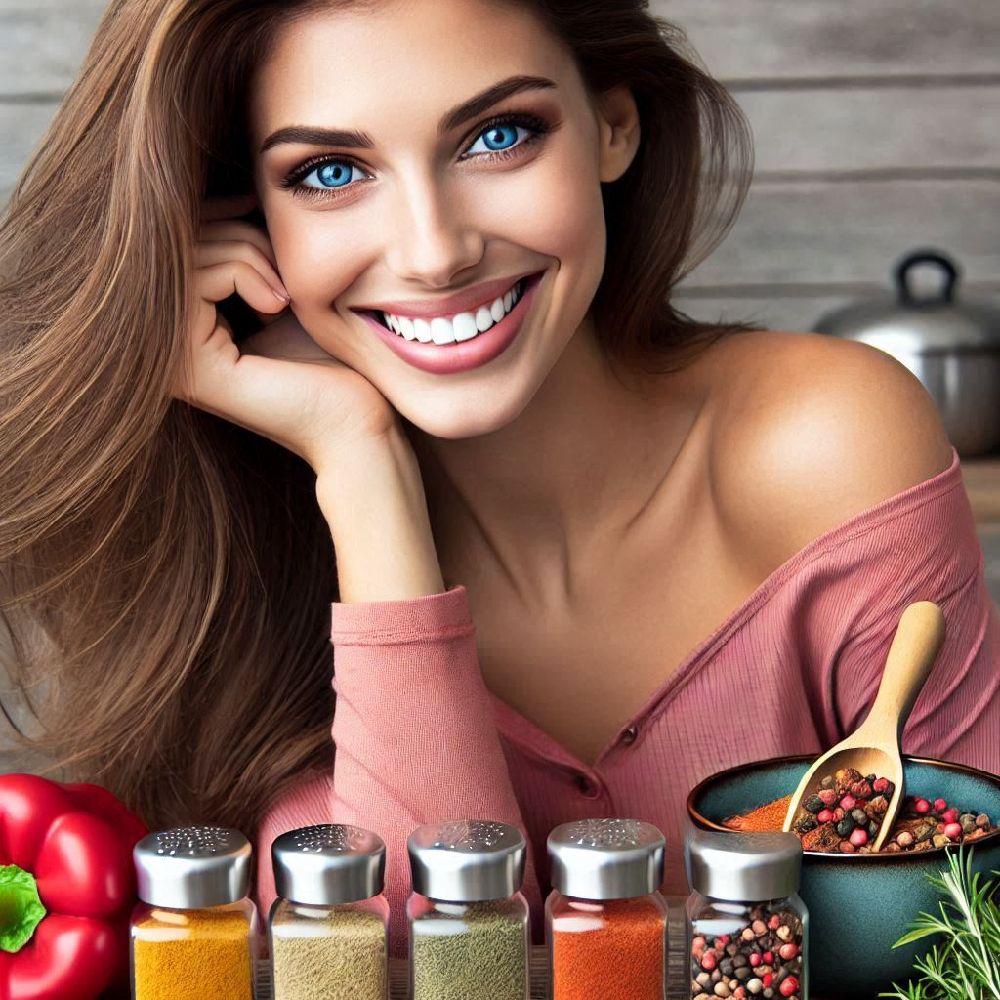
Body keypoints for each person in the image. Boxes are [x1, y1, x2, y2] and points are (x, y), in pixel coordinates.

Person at [1, 0, 997, 959]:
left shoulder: (824, 444)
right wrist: (360, 463)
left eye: (495, 137)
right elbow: (398, 965)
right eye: (331, 170)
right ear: (247, 216)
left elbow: (975, 927)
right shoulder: (232, 576)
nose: (435, 252)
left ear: (612, 127)